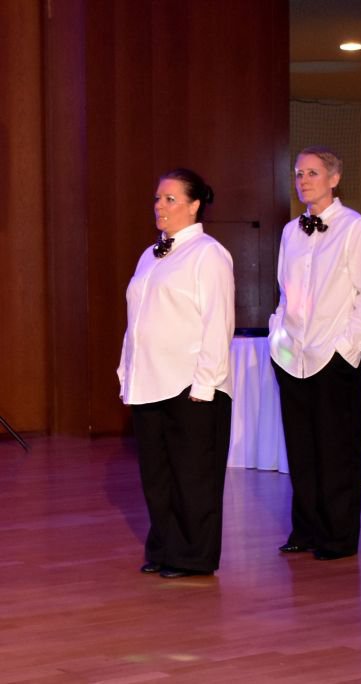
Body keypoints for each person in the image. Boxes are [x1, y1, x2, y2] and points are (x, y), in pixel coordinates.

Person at [117, 168, 234, 579]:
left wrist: (205, 383)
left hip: (190, 384)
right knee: (158, 475)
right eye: (157, 198)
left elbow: (218, 322)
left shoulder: (208, 254)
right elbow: (137, 319)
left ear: (194, 205)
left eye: (170, 199)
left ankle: (193, 557)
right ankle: (165, 548)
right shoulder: (150, 254)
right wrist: (126, 370)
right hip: (149, 380)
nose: (159, 206)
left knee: (193, 476)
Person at [269, 146, 361, 560]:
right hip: (293, 355)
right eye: (299, 173)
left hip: (333, 356)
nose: (303, 181)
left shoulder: (353, 227)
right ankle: (307, 529)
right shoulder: (290, 231)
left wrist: (345, 349)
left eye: (312, 173)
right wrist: (278, 338)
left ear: (334, 179)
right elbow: (285, 294)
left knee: (337, 452)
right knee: (301, 449)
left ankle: (337, 537)